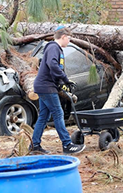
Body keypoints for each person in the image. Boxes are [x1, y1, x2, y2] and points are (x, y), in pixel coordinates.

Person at [31, 26, 86, 154]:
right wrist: (65, 79)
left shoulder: (54, 48)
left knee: (44, 117)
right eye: (69, 39)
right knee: (58, 113)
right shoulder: (53, 47)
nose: (69, 41)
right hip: (46, 87)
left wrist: (62, 83)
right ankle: (67, 145)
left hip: (45, 86)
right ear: (63, 37)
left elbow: (53, 69)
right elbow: (53, 65)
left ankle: (35, 145)